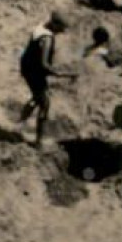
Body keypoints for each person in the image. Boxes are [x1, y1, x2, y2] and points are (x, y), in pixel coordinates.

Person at [18, 11, 75, 148]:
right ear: (55, 25)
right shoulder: (47, 39)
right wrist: (61, 74)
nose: (61, 32)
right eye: (61, 29)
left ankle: (20, 122)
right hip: (34, 71)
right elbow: (44, 64)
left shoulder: (40, 28)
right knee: (45, 103)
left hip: (27, 66)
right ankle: (39, 141)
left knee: (37, 97)